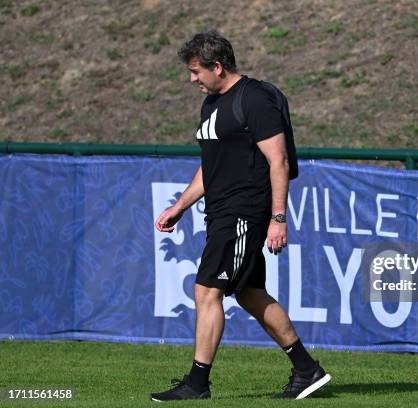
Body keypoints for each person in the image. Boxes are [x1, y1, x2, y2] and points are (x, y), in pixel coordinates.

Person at [150, 30, 331, 401]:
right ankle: (306, 369)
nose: (192, 79)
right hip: (220, 212)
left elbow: (277, 161)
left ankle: (197, 384)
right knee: (250, 293)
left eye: (196, 71)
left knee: (206, 290)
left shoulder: (255, 98)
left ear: (217, 66)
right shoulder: (212, 104)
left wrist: (278, 219)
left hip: (243, 212)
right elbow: (210, 166)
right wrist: (180, 207)